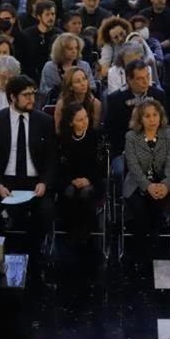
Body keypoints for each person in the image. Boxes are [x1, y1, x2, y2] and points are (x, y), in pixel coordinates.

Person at [0, 75, 57, 248]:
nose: (32, 99)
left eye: (33, 94)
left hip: (34, 181)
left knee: (46, 211)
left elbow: (51, 158)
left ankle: (33, 250)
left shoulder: (45, 121)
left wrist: (44, 182)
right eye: (26, 95)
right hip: (5, 180)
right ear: (13, 97)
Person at [123, 98, 170, 257]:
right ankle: (140, 250)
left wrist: (166, 185)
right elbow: (133, 166)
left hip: (164, 181)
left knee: (158, 203)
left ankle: (157, 246)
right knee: (140, 206)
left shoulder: (169, 135)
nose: (152, 119)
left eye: (155, 115)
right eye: (147, 116)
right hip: (138, 183)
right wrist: (148, 186)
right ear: (140, 119)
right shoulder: (131, 137)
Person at [58, 101, 104, 250]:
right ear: (71, 122)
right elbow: (60, 166)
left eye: (86, 117)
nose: (85, 122)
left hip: (92, 179)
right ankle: (70, 229)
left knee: (85, 193)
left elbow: (100, 166)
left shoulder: (94, 137)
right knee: (69, 191)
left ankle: (85, 231)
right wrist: (71, 180)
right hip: (69, 180)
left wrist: (88, 179)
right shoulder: (63, 139)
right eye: (80, 120)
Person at [14, 0, 61, 81]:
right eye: (47, 14)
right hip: (29, 78)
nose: (51, 18)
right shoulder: (25, 36)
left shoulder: (60, 36)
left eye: (53, 14)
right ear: (39, 17)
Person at [39, 33, 94, 101]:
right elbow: (45, 91)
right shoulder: (49, 67)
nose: (74, 51)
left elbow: (92, 87)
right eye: (70, 49)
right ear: (60, 50)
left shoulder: (84, 66)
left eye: (76, 48)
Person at [54, 65, 102, 132]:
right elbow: (58, 130)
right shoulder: (62, 104)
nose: (83, 84)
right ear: (70, 87)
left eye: (84, 79)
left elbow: (96, 130)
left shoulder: (96, 104)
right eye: (78, 81)